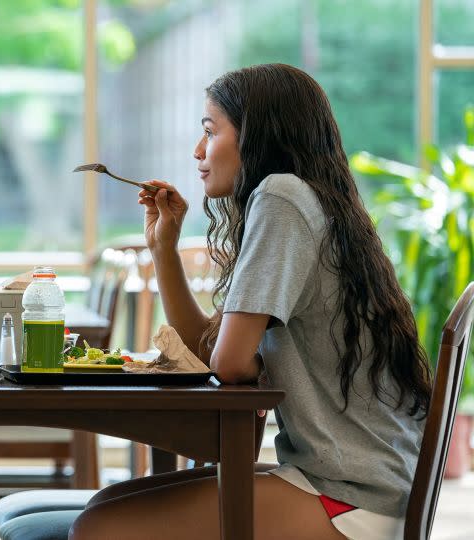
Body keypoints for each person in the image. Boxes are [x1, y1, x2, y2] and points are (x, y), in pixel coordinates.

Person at [70, 63, 432, 540]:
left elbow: (232, 363)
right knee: (106, 503)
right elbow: (209, 353)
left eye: (209, 131)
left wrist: (229, 355)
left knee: (98, 527)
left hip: (353, 496)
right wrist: (164, 248)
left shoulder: (281, 198)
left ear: (257, 136)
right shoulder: (306, 200)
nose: (198, 151)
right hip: (360, 482)